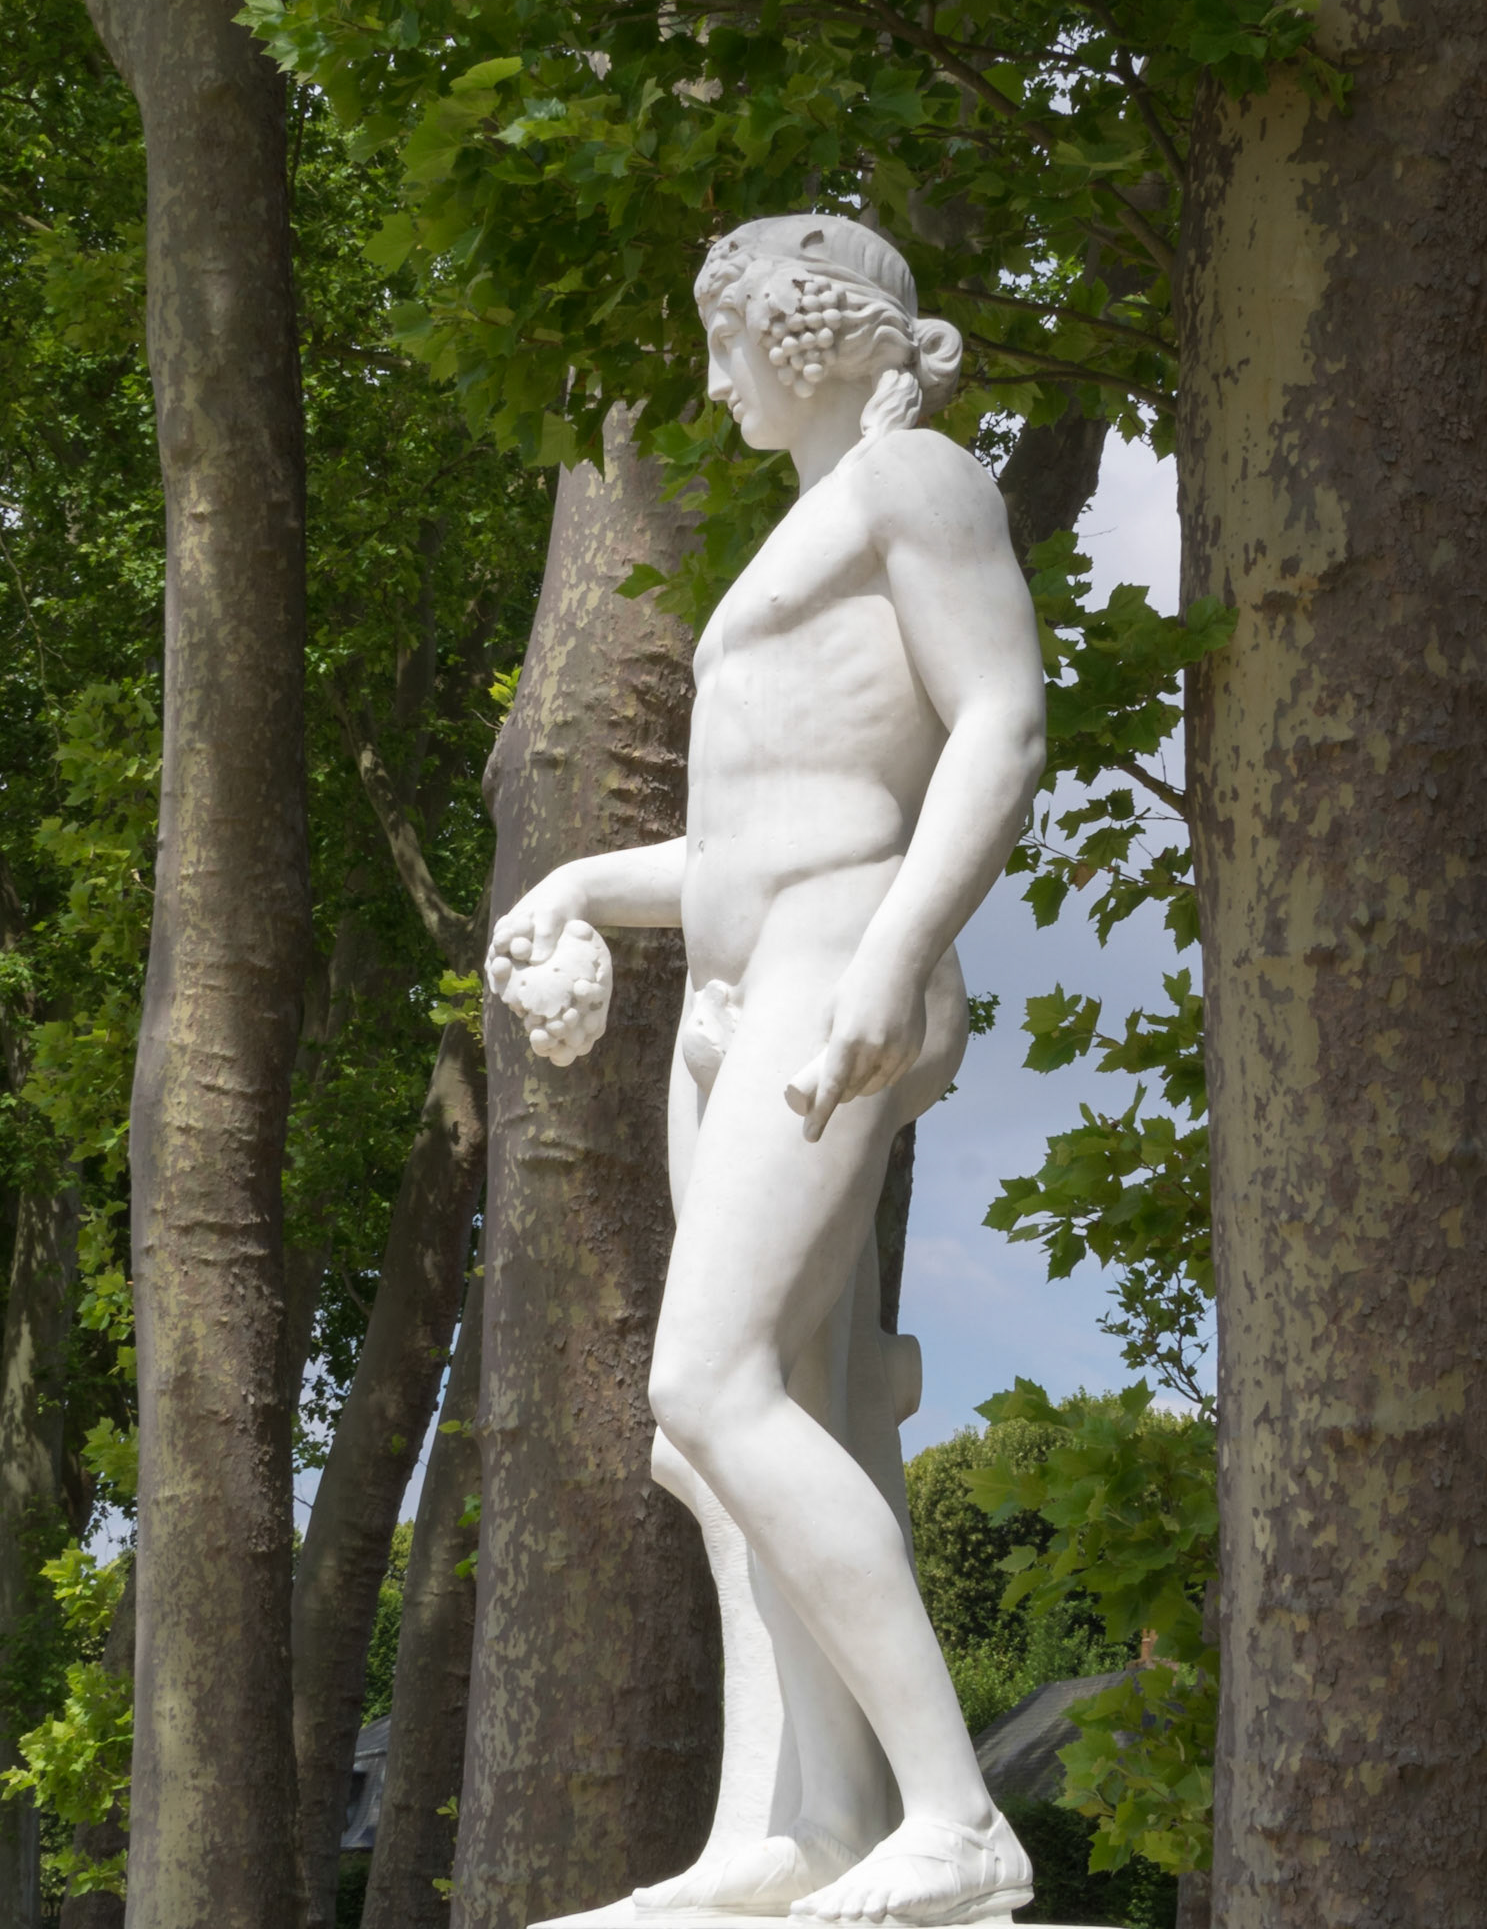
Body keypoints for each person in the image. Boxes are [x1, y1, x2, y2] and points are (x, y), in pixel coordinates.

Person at [487, 214, 1046, 1925]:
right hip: (738, 990)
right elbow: (736, 847)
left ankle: (956, 1817)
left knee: (708, 1385)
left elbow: (1004, 721)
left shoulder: (917, 481)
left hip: (829, 959)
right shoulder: (809, 525)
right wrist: (580, 886)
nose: (714, 376)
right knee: (732, 1435)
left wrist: (893, 955)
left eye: (727, 339)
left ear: (808, 335)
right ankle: (804, 1823)